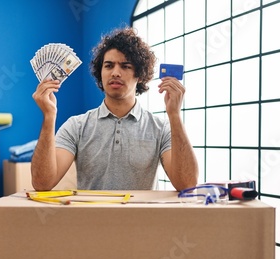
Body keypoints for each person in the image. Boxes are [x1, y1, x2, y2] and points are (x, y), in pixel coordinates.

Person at [31, 26, 199, 191]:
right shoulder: (76, 126)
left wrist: (174, 115)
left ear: (139, 75)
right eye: (109, 66)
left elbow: (187, 184)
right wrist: (49, 116)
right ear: (100, 72)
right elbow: (42, 183)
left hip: (144, 219)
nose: (115, 73)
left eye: (125, 66)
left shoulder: (161, 128)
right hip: (90, 218)